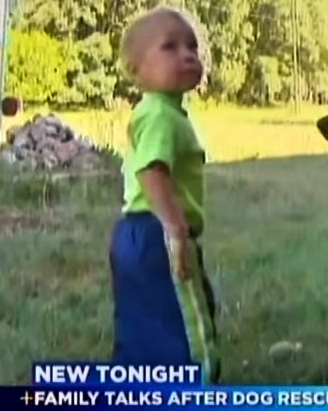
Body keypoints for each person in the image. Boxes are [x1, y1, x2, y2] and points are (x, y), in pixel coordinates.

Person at [109, 5, 220, 383]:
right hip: (160, 233)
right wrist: (175, 227)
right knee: (186, 323)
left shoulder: (160, 111)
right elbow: (151, 170)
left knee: (142, 319)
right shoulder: (159, 114)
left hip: (135, 233)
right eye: (169, 47)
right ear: (136, 70)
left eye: (192, 46)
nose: (188, 54)